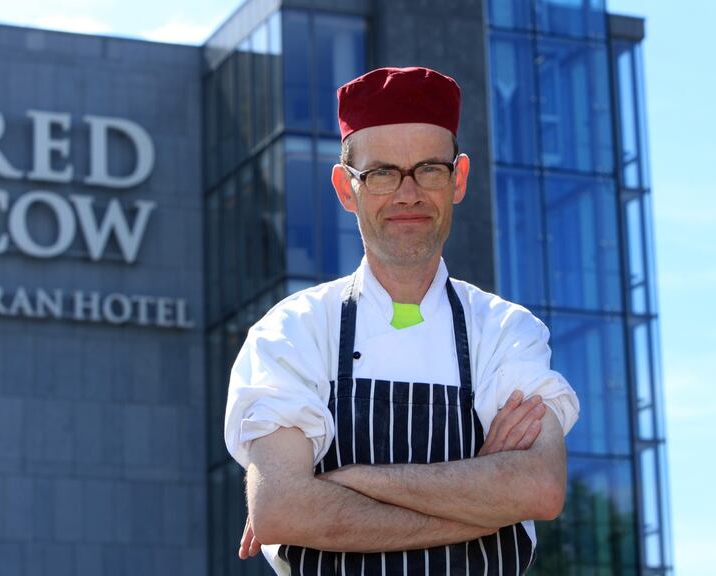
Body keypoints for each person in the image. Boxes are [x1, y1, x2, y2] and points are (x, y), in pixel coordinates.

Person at [223, 66, 579, 575]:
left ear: (458, 179)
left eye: (429, 169)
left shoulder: (505, 331)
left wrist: (347, 481)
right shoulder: (294, 330)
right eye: (382, 173)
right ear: (347, 189)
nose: (407, 194)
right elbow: (281, 509)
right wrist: (488, 498)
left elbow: (540, 489)